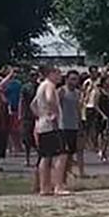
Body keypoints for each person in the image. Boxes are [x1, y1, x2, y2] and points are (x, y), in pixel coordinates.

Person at [31, 65, 66, 197]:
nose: (60, 76)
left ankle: (44, 187)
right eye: (58, 73)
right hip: (52, 125)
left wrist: (40, 116)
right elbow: (51, 99)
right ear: (51, 73)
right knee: (60, 155)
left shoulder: (41, 86)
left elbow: (33, 105)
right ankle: (58, 186)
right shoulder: (50, 86)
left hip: (42, 124)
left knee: (45, 157)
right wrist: (54, 114)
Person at [58, 69, 83, 183]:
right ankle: (60, 179)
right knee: (63, 154)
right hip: (63, 126)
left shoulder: (77, 93)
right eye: (72, 79)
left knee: (71, 155)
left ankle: (65, 178)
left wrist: (80, 125)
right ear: (66, 79)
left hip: (74, 126)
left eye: (76, 79)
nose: (74, 81)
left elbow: (78, 110)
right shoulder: (61, 91)